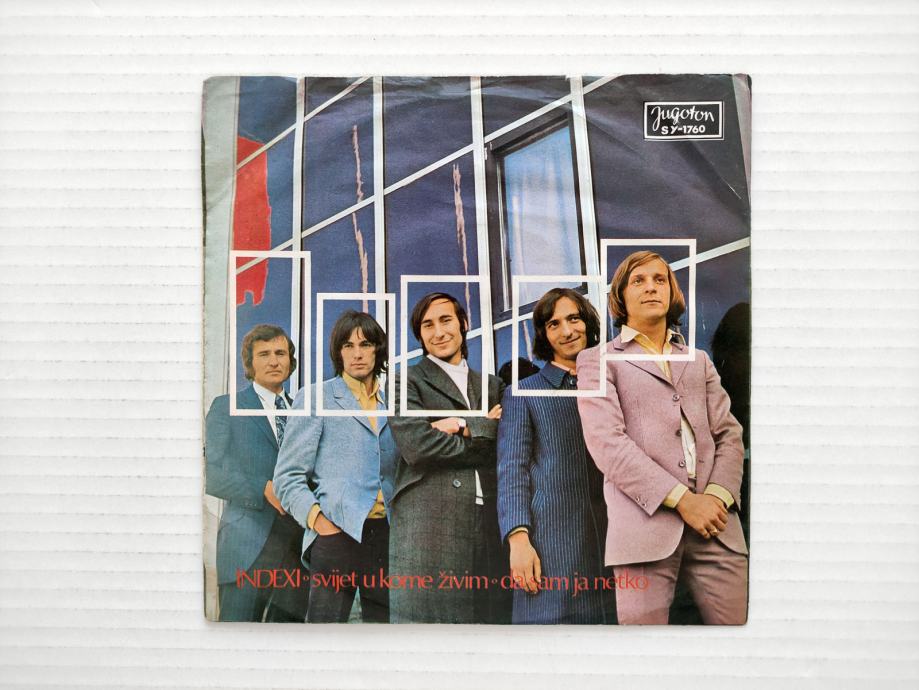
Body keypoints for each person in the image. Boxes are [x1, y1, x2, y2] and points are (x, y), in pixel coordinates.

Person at [576, 251, 748, 625]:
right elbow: (608, 443)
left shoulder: (698, 360)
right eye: (638, 281)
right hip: (643, 530)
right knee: (642, 648)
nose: (651, 287)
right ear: (620, 296)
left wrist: (715, 498)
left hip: (717, 525)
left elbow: (729, 433)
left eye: (660, 280)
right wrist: (684, 501)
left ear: (672, 292)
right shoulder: (596, 360)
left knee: (742, 639)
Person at [387, 292, 511, 623]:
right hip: (431, 522)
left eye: (446, 321)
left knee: (490, 627)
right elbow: (418, 446)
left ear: (464, 324)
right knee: (431, 632)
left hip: (490, 521)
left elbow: (504, 444)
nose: (438, 332)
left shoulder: (493, 386)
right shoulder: (404, 381)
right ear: (419, 335)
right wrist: (475, 425)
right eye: (428, 325)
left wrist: (455, 426)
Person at [273, 310, 398, 623]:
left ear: (378, 350)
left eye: (365, 344)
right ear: (338, 352)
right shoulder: (316, 398)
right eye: (348, 345)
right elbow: (287, 477)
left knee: (383, 632)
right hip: (336, 535)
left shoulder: (393, 403)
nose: (357, 354)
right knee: (325, 631)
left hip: (387, 536)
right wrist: (318, 522)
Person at [497, 288, 613, 624]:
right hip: (551, 546)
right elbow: (512, 470)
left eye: (574, 319)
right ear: (544, 335)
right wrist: (518, 539)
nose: (567, 331)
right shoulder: (523, 392)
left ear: (588, 322)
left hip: (613, 542)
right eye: (554, 324)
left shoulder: (610, 383)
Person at [205, 324, 309, 622]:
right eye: (264, 354)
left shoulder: (303, 411)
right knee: (238, 633)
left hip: (298, 548)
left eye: (280, 353)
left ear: (290, 360)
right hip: (247, 544)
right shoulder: (228, 407)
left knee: (288, 638)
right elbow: (210, 473)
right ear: (250, 364)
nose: (274, 361)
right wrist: (262, 488)